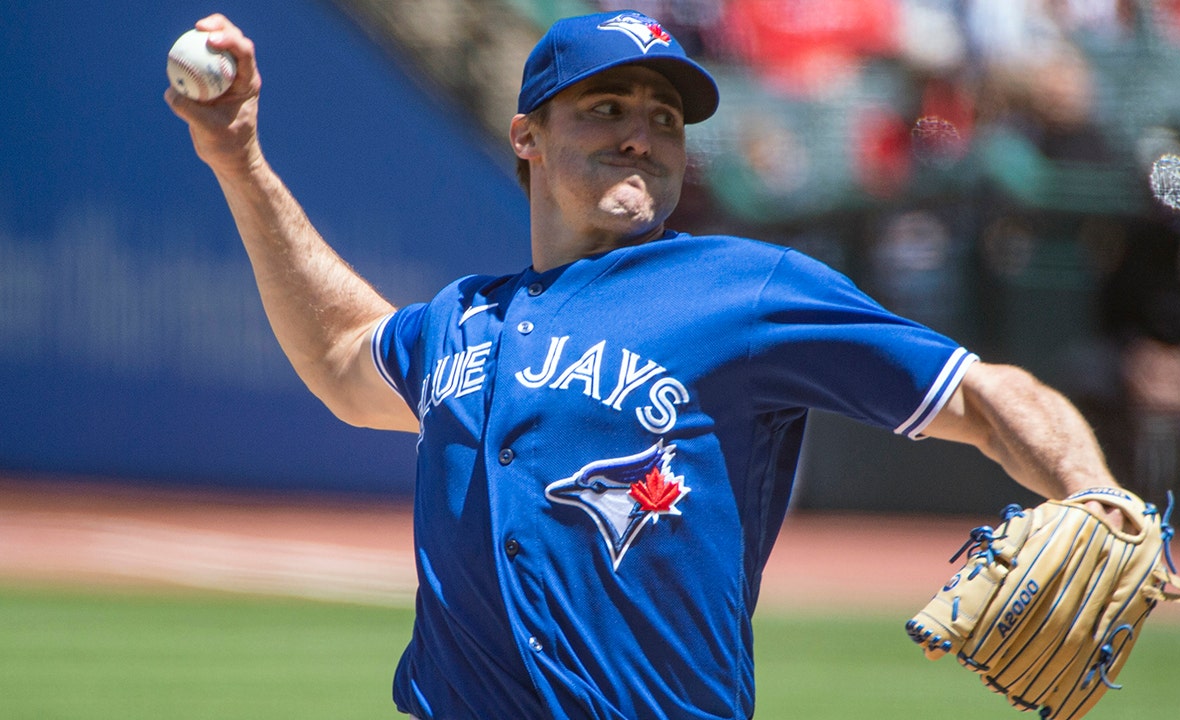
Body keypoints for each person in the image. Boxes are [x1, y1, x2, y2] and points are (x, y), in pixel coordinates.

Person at [167, 10, 1125, 719]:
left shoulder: (745, 290)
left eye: (665, 118)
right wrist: (238, 157)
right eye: (606, 105)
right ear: (526, 136)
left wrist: (1092, 489)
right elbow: (343, 355)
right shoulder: (462, 320)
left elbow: (987, 395)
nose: (642, 131)